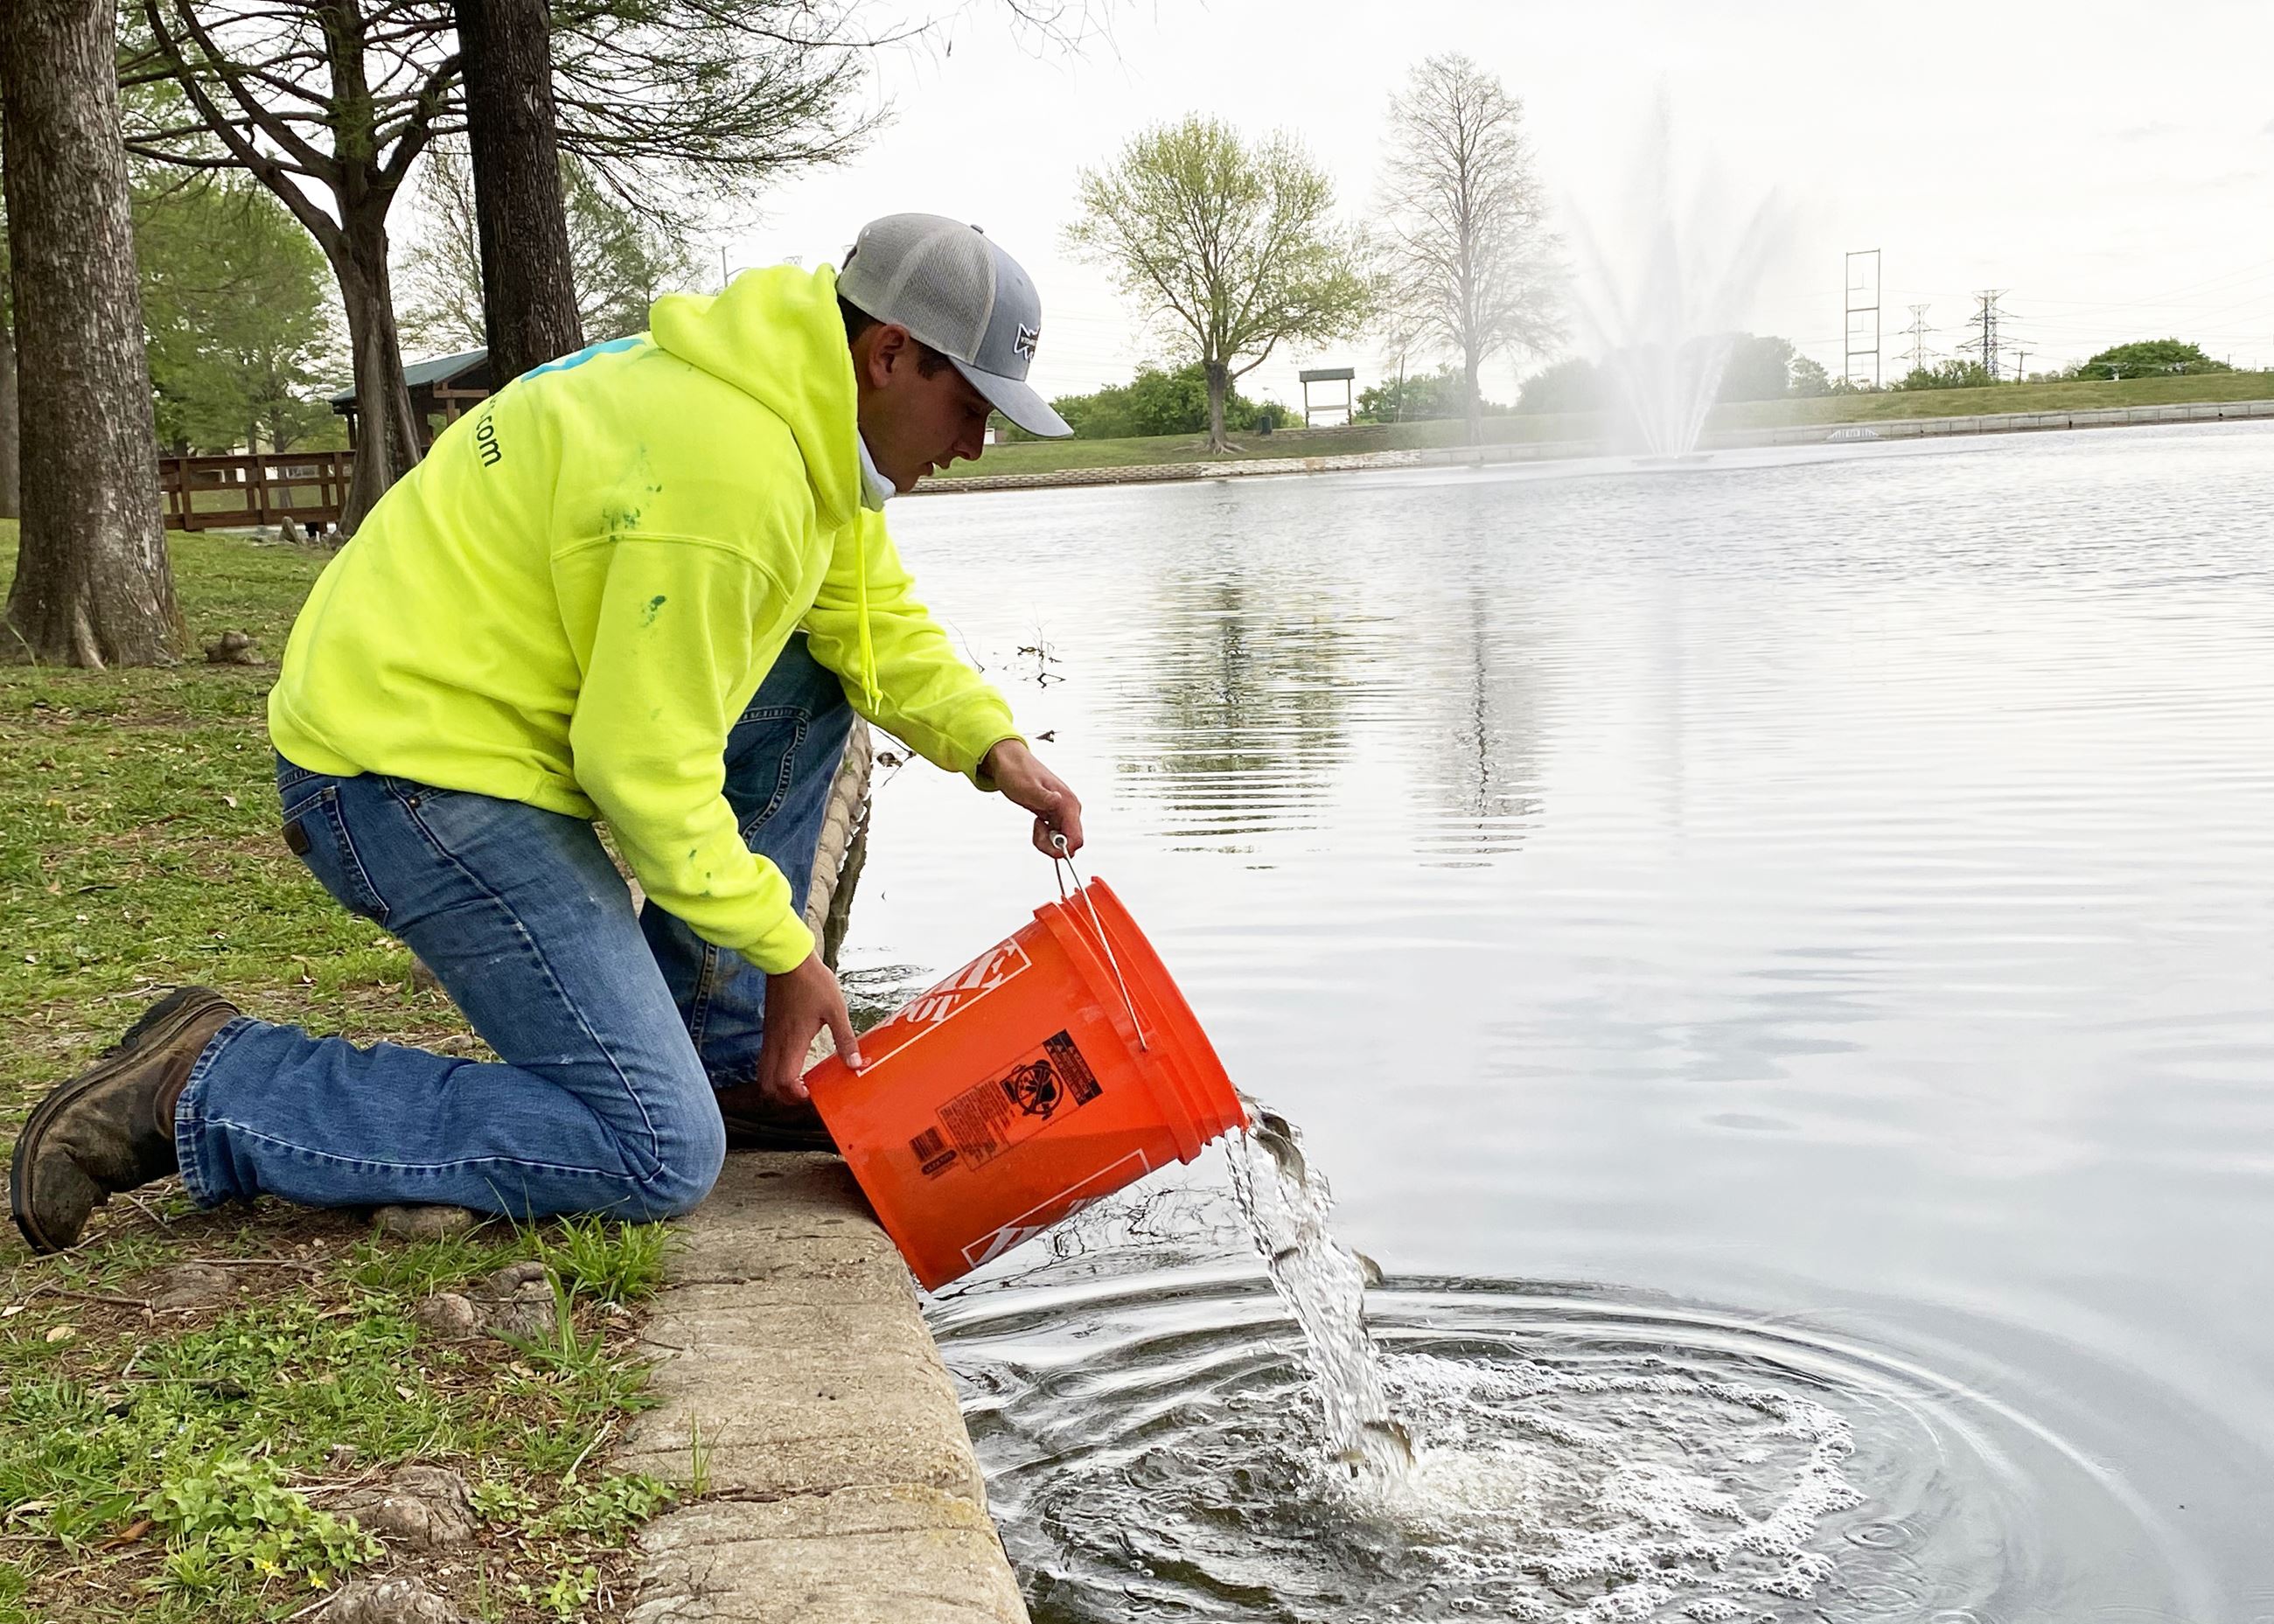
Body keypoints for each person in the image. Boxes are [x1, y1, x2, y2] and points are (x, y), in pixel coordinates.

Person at [10, 214, 1083, 1253]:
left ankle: (712, 1057)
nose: (974, 444)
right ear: (888, 353)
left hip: (480, 727)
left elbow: (865, 622)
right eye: (969, 406)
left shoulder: (799, 423)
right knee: (655, 1152)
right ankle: (209, 1081)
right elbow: (641, 766)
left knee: (812, 679)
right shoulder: (729, 474)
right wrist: (786, 949)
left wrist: (995, 749)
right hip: (401, 772)